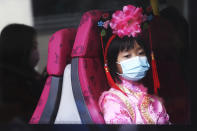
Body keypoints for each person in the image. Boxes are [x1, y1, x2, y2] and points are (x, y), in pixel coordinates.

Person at [98, 5, 170, 124]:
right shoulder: (113, 100)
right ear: (112, 64)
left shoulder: (154, 100)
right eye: (127, 56)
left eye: (140, 53)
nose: (137, 59)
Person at [0, 23, 44, 123]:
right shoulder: (8, 81)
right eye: (34, 47)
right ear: (20, 49)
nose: (37, 51)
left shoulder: (29, 74)